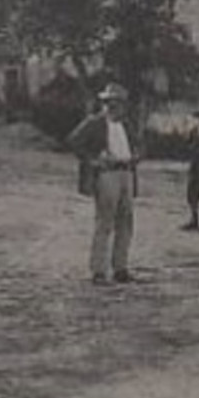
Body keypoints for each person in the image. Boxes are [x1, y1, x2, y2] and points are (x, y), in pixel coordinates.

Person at [66, 83, 139, 286]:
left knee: (126, 222)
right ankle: (99, 270)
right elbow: (73, 141)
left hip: (127, 172)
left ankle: (120, 268)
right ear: (104, 103)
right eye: (109, 101)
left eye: (118, 102)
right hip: (107, 174)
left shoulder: (126, 124)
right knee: (105, 222)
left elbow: (139, 143)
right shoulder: (94, 123)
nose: (114, 105)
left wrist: (137, 154)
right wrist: (92, 160)